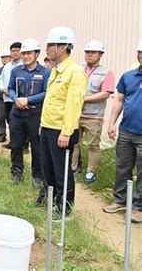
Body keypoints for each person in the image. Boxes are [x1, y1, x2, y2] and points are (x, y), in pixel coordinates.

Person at [38, 26, 86, 221]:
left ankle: (65, 210)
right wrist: (42, 124)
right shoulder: (56, 71)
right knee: (47, 169)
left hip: (61, 131)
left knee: (62, 172)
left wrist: (66, 132)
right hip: (48, 127)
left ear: (62, 47)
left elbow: (74, 105)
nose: (47, 49)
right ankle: (53, 203)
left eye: (50, 45)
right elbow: (51, 102)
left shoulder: (75, 72)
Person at [103, 38, 142, 223]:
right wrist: (112, 123)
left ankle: (138, 206)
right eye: (141, 53)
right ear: (138, 55)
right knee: (122, 167)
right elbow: (119, 100)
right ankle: (120, 200)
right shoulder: (128, 77)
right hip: (126, 130)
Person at [7, 38, 50, 186]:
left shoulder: (45, 72)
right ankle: (16, 173)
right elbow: (10, 88)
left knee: (37, 147)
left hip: (35, 115)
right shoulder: (16, 70)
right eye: (24, 53)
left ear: (37, 54)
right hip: (17, 114)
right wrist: (16, 99)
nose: (25, 56)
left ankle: (37, 176)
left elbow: (47, 93)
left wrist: (28, 100)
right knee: (16, 145)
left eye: (29, 53)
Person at [71, 40, 115, 182]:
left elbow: (105, 93)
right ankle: (73, 168)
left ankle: (91, 172)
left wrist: (84, 98)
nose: (89, 55)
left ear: (100, 55)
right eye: (87, 52)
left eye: (93, 53)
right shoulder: (78, 70)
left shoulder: (106, 73)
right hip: (76, 114)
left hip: (94, 116)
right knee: (74, 142)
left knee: (93, 145)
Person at [0, 42, 23, 149]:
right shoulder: (7, 66)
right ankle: (12, 142)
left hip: (18, 99)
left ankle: (22, 144)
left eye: (17, 50)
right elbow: (1, 79)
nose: (15, 53)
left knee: (19, 122)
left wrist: (13, 91)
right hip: (7, 98)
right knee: (10, 120)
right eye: (13, 51)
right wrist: (3, 88)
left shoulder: (23, 66)